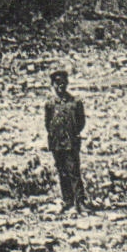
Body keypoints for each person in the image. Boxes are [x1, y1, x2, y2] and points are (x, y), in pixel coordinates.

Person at [43, 69, 87, 213]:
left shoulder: (75, 103)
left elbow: (81, 122)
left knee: (74, 171)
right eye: (57, 83)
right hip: (56, 143)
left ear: (67, 83)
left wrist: (72, 134)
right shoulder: (50, 104)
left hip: (71, 142)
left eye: (62, 82)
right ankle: (67, 200)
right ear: (53, 85)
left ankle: (80, 202)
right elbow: (48, 123)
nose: (60, 85)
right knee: (62, 172)